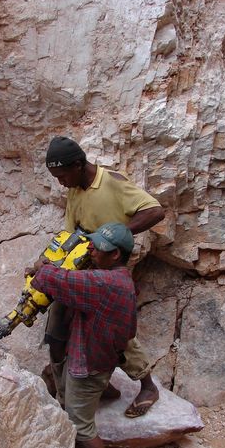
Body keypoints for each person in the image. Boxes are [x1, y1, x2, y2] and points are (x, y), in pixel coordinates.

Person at [44, 135, 165, 417]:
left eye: (62, 176)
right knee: (61, 325)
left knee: (113, 333)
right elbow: (70, 233)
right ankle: (87, 388)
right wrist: (50, 262)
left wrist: (116, 236)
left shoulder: (111, 182)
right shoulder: (75, 189)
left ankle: (147, 385)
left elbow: (155, 211)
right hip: (83, 270)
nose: (61, 183)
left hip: (108, 273)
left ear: (78, 165)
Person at [31, 222, 137, 448]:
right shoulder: (122, 280)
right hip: (98, 356)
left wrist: (41, 267)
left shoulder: (102, 283)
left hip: (88, 364)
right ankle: (102, 392)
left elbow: (56, 280)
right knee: (75, 392)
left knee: (80, 423)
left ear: (115, 254)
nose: (91, 249)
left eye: (98, 247)